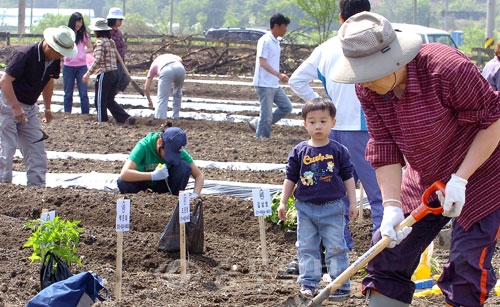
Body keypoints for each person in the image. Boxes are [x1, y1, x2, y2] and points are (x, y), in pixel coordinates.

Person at [331, 12, 500, 307]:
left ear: (395, 60)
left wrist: (461, 179)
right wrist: (392, 207)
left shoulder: (445, 69)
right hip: (425, 175)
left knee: (466, 263)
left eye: (370, 73)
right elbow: (384, 145)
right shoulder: (368, 90)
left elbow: (494, 120)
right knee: (388, 251)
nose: (364, 83)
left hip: (484, 173)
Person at [288, 0, 381, 252]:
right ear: (368, 16)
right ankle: (381, 249)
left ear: (341, 17)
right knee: (379, 194)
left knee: (335, 193)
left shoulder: (327, 47)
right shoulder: (376, 43)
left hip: (334, 130)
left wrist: (322, 109)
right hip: (366, 130)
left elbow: (296, 80)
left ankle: (340, 245)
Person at [278, 97, 357, 301]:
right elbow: (290, 178)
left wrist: (353, 203)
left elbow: (349, 177)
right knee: (306, 246)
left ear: (333, 123)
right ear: (305, 124)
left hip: (333, 207)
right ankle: (308, 283)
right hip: (305, 208)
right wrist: (282, 202)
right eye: (312, 122)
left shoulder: (339, 151)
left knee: (336, 246)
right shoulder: (299, 151)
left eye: (323, 121)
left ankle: (339, 284)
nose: (318, 126)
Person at [0, 26, 77, 186]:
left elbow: (49, 81)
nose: (62, 56)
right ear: (49, 45)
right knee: (7, 150)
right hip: (7, 105)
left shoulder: (54, 60)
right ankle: (4, 188)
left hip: (29, 108)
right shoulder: (25, 55)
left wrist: (47, 108)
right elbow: (4, 81)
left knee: (37, 149)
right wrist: (15, 107)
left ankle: (36, 190)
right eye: (60, 51)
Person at [117, 126, 204, 196]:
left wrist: (195, 194)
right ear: (159, 142)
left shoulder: (178, 150)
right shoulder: (144, 146)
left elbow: (199, 175)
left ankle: (173, 198)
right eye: (168, 153)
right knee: (123, 182)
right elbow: (124, 174)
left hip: (164, 185)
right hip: (141, 184)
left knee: (183, 167)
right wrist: (152, 175)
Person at [82, 18, 134, 125]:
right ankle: (125, 118)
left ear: (97, 31)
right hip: (114, 73)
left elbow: (98, 59)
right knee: (109, 100)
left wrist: (88, 74)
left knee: (99, 100)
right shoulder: (111, 42)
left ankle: (102, 121)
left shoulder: (100, 42)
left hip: (104, 74)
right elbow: (117, 56)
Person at [249, 13, 292, 138]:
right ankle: (262, 139)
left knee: (286, 107)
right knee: (266, 116)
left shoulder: (275, 42)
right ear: (276, 26)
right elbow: (262, 62)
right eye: (284, 26)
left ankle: (257, 123)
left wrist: (278, 77)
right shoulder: (265, 41)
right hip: (263, 83)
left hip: (273, 83)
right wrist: (279, 74)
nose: (285, 30)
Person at [63, 12, 93, 114]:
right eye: (77, 21)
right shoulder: (67, 34)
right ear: (73, 22)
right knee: (68, 93)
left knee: (83, 93)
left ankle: (85, 114)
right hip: (68, 66)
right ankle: (67, 113)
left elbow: (90, 48)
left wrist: (81, 52)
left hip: (81, 67)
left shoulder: (84, 35)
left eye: (80, 21)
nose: (79, 24)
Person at [144, 54, 186, 119]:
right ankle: (175, 117)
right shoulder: (170, 56)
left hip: (166, 70)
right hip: (180, 68)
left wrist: (149, 101)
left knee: (162, 98)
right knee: (177, 94)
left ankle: (160, 119)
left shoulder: (154, 65)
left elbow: (146, 88)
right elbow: (181, 60)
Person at [107, 7, 129, 92]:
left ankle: (112, 97)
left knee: (124, 80)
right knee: (114, 83)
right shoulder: (108, 32)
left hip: (121, 62)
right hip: (113, 63)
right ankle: (111, 98)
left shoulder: (118, 32)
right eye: (119, 19)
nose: (120, 21)